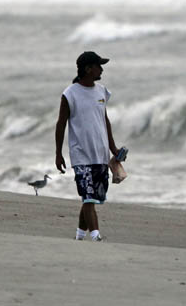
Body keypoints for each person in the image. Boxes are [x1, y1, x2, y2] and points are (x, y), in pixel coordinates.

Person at [55, 51, 122, 241]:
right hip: (81, 155)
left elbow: (105, 120)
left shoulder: (101, 91)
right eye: (98, 66)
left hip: (99, 154)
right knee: (88, 197)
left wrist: (113, 149)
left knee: (91, 198)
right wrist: (58, 153)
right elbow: (61, 124)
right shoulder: (70, 94)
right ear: (88, 69)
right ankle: (96, 236)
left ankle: (79, 235)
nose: (101, 69)